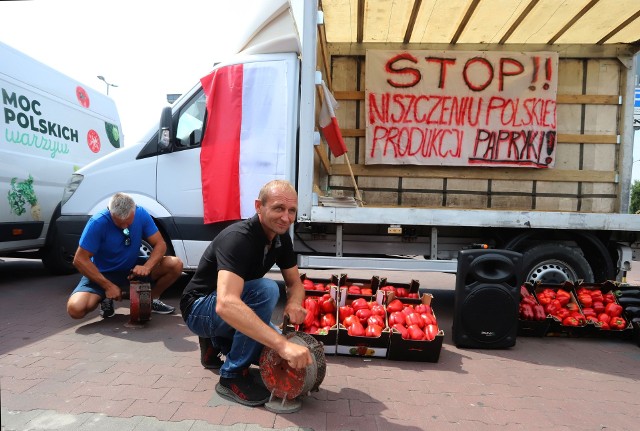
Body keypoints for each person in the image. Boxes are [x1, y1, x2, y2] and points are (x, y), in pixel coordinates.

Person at [180, 180, 313, 407]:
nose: (286, 217)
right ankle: (230, 376)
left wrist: (294, 302)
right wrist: (282, 344)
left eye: (292, 211)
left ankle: (216, 343)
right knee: (266, 290)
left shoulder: (281, 238)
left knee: (265, 344)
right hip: (198, 309)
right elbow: (226, 304)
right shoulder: (239, 238)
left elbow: (295, 282)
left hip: (227, 304)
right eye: (278, 208)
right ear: (258, 206)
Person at [67, 192, 183, 319]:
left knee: (174, 264)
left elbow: (160, 244)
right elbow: (79, 260)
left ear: (134, 211)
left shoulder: (141, 213)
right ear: (110, 213)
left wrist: (147, 267)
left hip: (131, 269)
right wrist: (108, 286)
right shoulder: (97, 222)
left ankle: (150, 300)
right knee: (75, 309)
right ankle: (105, 297)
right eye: (119, 222)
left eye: (128, 222)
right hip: (102, 273)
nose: (124, 226)